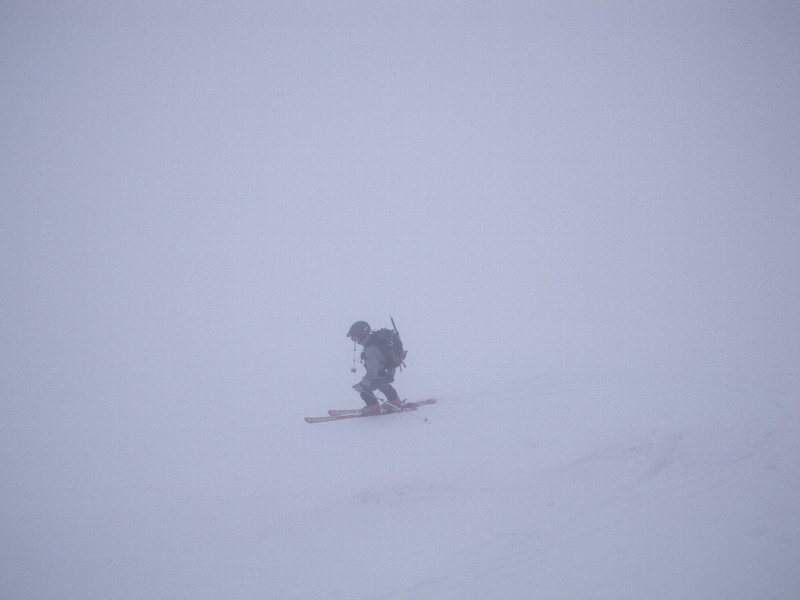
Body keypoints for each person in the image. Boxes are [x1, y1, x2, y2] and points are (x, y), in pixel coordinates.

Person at [347, 321, 403, 415]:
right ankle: (395, 401)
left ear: (360, 335)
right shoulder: (373, 342)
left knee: (364, 389)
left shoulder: (370, 349)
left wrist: (361, 385)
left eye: (354, 337)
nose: (353, 340)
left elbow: (372, 374)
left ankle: (373, 407)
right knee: (382, 383)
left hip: (384, 373)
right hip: (388, 371)